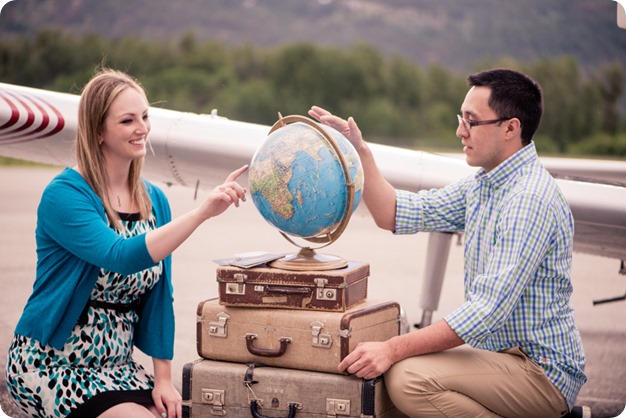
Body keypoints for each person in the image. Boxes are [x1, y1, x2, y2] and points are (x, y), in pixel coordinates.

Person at [309, 68, 587, 418]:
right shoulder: (484, 185)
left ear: (510, 128)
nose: (460, 131)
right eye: (461, 118)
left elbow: (485, 312)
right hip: (500, 358)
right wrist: (359, 151)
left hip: (540, 371)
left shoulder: (528, 199)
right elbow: (394, 213)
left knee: (408, 379)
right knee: (396, 375)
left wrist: (392, 348)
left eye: (472, 121)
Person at [5, 68, 248, 418]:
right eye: (127, 120)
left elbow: (161, 294)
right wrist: (202, 213)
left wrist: (163, 379)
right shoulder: (65, 195)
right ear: (98, 131)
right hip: (53, 363)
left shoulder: (155, 200)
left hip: (117, 368)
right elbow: (119, 255)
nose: (143, 128)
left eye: (146, 116)